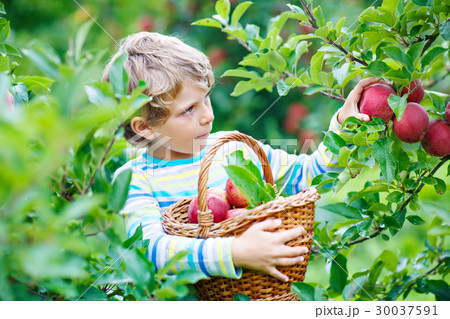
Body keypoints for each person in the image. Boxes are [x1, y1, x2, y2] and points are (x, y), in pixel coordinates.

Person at [103, 31, 383, 282]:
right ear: (146, 127)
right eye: (189, 110)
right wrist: (235, 251)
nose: (208, 116)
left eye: (207, 98)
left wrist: (342, 127)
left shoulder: (233, 151)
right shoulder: (135, 179)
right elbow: (150, 250)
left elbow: (310, 173)